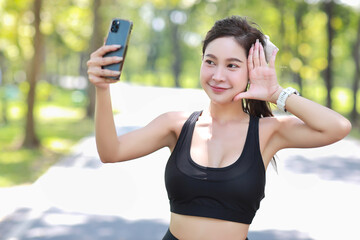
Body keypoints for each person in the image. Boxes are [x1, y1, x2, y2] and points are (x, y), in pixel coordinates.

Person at [86, 16, 351, 240]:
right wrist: (102, 88)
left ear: (251, 70)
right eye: (210, 61)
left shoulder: (268, 132)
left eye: (232, 65)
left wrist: (275, 93)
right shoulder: (176, 125)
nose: (218, 75)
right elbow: (111, 152)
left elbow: (337, 127)